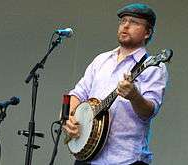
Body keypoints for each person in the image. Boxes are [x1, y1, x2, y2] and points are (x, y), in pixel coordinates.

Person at [63, 3, 168, 165]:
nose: (125, 26)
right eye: (123, 21)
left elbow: (149, 111)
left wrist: (134, 96)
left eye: (134, 22)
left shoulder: (154, 67)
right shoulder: (101, 60)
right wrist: (70, 120)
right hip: (87, 157)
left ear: (147, 32)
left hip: (126, 159)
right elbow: (76, 94)